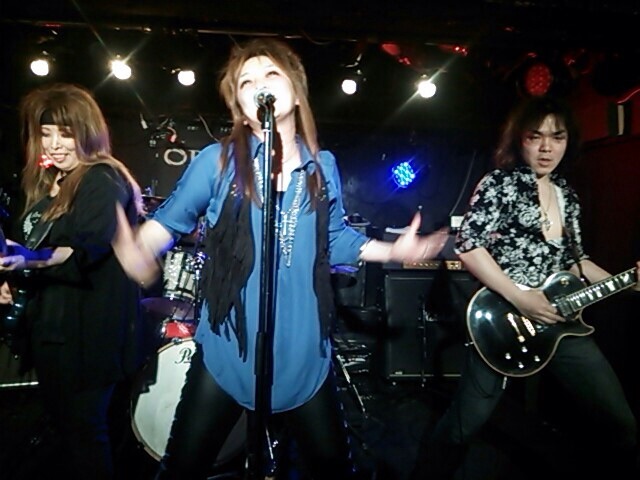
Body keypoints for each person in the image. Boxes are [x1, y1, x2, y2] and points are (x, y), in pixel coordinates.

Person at [111, 37, 448, 480]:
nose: (260, 86)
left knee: (333, 471)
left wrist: (394, 251)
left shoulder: (321, 165)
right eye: (246, 82)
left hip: (304, 350)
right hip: (229, 347)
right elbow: (167, 224)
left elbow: (335, 239)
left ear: (296, 90)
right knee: (183, 469)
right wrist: (137, 249)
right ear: (239, 106)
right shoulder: (219, 162)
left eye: (271, 74)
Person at [410, 96, 640, 479]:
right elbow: (469, 246)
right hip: (504, 319)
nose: (547, 147)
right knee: (464, 425)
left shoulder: (567, 195)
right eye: (537, 137)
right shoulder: (500, 183)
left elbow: (577, 262)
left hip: (561, 323)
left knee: (621, 423)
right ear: (520, 139)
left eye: (557, 137)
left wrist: (630, 282)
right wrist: (520, 297)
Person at [0, 83, 145, 479]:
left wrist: (28, 261)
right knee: (68, 435)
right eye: (46, 133)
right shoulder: (48, 182)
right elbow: (34, 248)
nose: (54, 144)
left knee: (85, 438)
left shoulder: (101, 178)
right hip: (53, 330)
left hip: (87, 337)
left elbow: (81, 249)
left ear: (87, 131)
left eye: (65, 133)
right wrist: (13, 272)